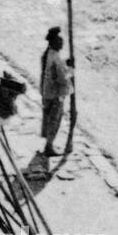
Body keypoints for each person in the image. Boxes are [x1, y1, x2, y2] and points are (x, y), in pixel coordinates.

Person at [40, 25, 74, 157]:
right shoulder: (56, 58)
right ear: (53, 42)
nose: (62, 43)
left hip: (47, 91)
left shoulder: (47, 54)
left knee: (48, 118)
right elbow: (62, 79)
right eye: (59, 41)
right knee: (54, 119)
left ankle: (48, 144)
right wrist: (70, 69)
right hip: (55, 94)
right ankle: (49, 146)